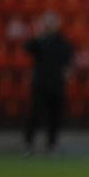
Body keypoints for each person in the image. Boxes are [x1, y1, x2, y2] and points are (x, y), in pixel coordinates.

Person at [23, 10, 73, 155]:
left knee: (55, 116)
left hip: (57, 84)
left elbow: (68, 60)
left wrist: (67, 72)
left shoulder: (62, 42)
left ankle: (52, 144)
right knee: (35, 114)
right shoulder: (40, 41)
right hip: (40, 84)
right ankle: (29, 142)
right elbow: (28, 47)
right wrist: (39, 34)